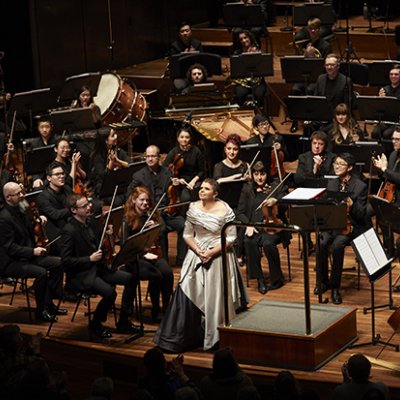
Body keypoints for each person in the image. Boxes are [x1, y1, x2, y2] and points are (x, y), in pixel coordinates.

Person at [155, 178, 248, 352]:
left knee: (215, 297)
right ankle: (182, 338)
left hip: (218, 255)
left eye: (206, 189)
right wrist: (199, 251)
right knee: (186, 289)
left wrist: (211, 253)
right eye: (201, 188)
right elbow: (188, 235)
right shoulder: (193, 208)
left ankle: (215, 337)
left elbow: (230, 237)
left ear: (215, 193)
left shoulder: (225, 209)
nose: (202, 191)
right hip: (196, 254)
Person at [60, 193, 139, 338]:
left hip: (99, 269)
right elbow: (65, 261)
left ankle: (123, 321)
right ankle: (95, 324)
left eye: (88, 204)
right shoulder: (69, 230)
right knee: (110, 293)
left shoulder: (91, 222)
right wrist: (89, 259)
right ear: (74, 210)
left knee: (131, 278)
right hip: (82, 274)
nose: (89, 207)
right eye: (84, 206)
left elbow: (98, 244)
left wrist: (108, 233)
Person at [0, 182, 64, 321]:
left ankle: (49, 304)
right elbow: (10, 247)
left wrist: (39, 219)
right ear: (8, 197)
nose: (22, 195)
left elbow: (32, 216)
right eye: (18, 194)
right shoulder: (3, 218)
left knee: (58, 264)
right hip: (11, 261)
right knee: (41, 273)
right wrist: (33, 252)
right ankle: (40, 311)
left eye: (21, 192)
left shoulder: (21, 204)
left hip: (27, 254)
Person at [316, 153, 370, 304]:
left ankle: (335, 287)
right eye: (335, 163)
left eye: (341, 164)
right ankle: (323, 281)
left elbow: (361, 215)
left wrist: (352, 205)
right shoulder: (332, 184)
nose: (337, 166)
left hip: (349, 226)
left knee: (337, 245)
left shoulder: (360, 186)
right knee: (321, 242)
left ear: (350, 168)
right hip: (332, 224)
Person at [127, 144, 187, 267]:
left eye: (153, 156)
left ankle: (181, 260)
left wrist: (176, 185)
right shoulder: (139, 176)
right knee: (161, 228)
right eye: (147, 156)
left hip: (167, 210)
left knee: (183, 224)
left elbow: (172, 192)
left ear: (159, 157)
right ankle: (163, 261)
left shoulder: (167, 172)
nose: (149, 159)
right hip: (151, 212)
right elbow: (130, 194)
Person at [236, 161, 289, 294]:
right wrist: (248, 224)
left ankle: (277, 279)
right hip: (254, 226)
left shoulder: (276, 186)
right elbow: (240, 212)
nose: (259, 178)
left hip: (273, 225)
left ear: (268, 174)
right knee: (249, 241)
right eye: (256, 174)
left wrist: (277, 200)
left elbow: (287, 201)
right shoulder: (247, 188)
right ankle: (259, 279)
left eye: (263, 174)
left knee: (268, 243)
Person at [122, 186, 173, 322]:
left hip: (153, 253)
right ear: (133, 200)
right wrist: (142, 252)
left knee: (167, 273)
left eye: (147, 201)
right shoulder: (127, 219)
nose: (145, 204)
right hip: (136, 259)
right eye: (142, 200)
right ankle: (155, 310)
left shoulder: (153, 215)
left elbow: (163, 230)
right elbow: (125, 245)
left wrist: (156, 226)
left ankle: (166, 307)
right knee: (156, 276)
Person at [289, 18, 332, 133]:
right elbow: (299, 63)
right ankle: (295, 120)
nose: (313, 31)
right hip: (304, 76)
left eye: (315, 29)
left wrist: (312, 56)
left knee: (310, 90)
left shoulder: (325, 45)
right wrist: (305, 54)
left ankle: (312, 120)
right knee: (294, 91)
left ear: (319, 30)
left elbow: (326, 66)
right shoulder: (304, 42)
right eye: (310, 29)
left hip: (318, 78)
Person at [372, 126, 400, 291]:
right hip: (392, 196)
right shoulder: (394, 154)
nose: (394, 142)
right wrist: (380, 169)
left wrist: (385, 169)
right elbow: (388, 178)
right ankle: (388, 250)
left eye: (397, 139)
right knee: (380, 211)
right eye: (393, 139)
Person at [303, 54, 355, 136]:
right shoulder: (321, 79)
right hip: (321, 116)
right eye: (327, 65)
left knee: (325, 131)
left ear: (338, 66)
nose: (329, 67)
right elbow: (315, 100)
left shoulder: (345, 81)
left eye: (332, 65)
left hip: (337, 118)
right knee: (307, 127)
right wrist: (311, 117)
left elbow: (347, 105)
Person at [162, 127, 205, 203]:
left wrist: (193, 181)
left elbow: (202, 171)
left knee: (190, 197)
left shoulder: (196, 151)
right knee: (181, 198)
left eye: (187, 137)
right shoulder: (174, 152)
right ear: (178, 138)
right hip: (178, 182)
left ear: (190, 138)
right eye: (182, 137)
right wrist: (174, 179)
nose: (184, 140)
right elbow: (164, 168)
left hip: (193, 181)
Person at [37, 163, 72, 249]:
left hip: (69, 225)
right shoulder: (43, 197)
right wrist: (73, 209)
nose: (62, 176)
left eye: (63, 173)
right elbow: (55, 215)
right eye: (57, 174)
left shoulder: (67, 189)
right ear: (49, 178)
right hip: (56, 231)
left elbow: (75, 202)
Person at [90, 128, 129, 203]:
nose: (116, 137)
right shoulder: (97, 157)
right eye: (112, 135)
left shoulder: (119, 151)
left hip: (120, 184)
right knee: (118, 201)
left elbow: (129, 164)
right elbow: (103, 176)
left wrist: (117, 160)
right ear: (106, 140)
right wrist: (111, 164)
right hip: (105, 189)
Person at [231, 29, 267, 109]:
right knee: (240, 94)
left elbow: (264, 68)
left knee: (259, 94)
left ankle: (260, 115)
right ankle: (242, 114)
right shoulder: (237, 54)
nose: (244, 40)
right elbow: (235, 71)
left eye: (245, 37)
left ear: (250, 38)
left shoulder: (259, 51)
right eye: (241, 39)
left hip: (258, 82)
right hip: (243, 83)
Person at [246, 114, 287, 180]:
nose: (265, 127)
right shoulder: (251, 142)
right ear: (256, 127)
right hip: (257, 175)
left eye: (266, 124)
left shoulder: (277, 139)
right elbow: (247, 161)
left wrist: (281, 148)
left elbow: (288, 157)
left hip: (274, 174)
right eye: (261, 125)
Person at [372, 64, 400, 140]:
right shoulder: (384, 89)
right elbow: (380, 108)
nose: (393, 76)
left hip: (398, 120)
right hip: (386, 119)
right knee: (375, 133)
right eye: (391, 74)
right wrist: (381, 99)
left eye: (396, 74)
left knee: (386, 134)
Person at [29, 117, 58, 188]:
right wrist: (36, 178)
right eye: (41, 127)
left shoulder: (57, 141)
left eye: (47, 127)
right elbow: (33, 164)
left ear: (51, 127)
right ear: (38, 128)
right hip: (41, 174)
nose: (44, 130)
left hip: (56, 172)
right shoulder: (34, 144)